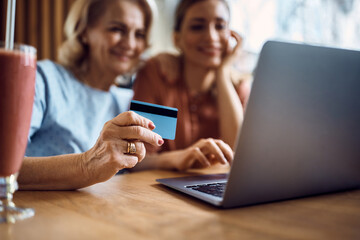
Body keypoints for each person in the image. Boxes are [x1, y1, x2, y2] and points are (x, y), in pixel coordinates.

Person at [18, 0, 164, 190]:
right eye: (117, 29)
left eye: (139, 34)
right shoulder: (43, 80)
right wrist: (87, 165)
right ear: (84, 31)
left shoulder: (127, 102)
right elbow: (5, 166)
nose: (130, 43)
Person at [132, 0, 252, 171]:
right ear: (177, 38)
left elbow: (238, 156)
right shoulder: (159, 77)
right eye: (197, 27)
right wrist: (178, 158)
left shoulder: (238, 87)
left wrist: (222, 74)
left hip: (214, 189)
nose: (211, 37)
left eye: (220, 26)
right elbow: (139, 159)